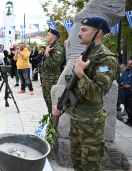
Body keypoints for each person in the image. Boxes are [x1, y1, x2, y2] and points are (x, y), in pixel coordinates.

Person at [53, 16, 120, 171]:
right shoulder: (86, 54)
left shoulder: (107, 60)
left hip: (90, 123)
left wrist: (80, 72)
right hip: (76, 118)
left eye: (84, 30)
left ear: (98, 32)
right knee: (76, 163)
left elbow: (97, 93)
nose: (79, 33)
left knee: (90, 166)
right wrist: (63, 104)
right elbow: (73, 86)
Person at [39, 28, 64, 113]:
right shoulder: (50, 47)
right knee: (47, 99)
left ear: (54, 36)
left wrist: (47, 53)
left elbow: (53, 64)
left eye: (48, 35)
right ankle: (50, 117)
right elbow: (46, 63)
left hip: (53, 79)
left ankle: (55, 120)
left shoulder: (58, 49)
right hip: (46, 78)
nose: (46, 36)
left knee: (52, 100)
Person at [120, 60, 132, 126]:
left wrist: (129, 86)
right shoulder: (126, 72)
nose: (129, 65)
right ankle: (129, 120)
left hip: (131, 93)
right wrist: (121, 84)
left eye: (130, 64)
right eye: (128, 63)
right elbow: (122, 79)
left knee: (131, 108)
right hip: (125, 92)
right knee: (127, 107)